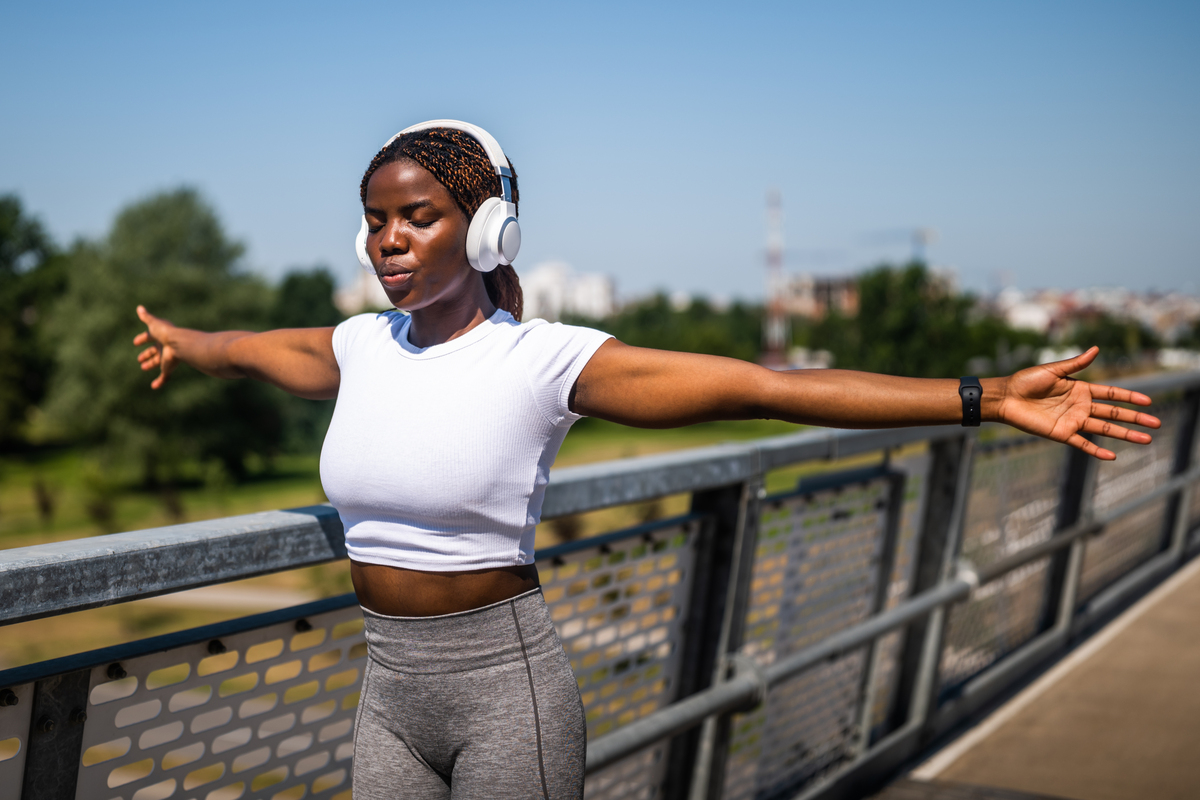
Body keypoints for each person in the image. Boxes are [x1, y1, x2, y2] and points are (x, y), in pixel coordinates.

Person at [133, 122, 1160, 800]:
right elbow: (252, 353)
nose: (389, 239)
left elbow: (769, 386)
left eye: (418, 215)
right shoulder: (360, 345)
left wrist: (979, 397)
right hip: (388, 690)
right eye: (376, 219)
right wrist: (186, 343)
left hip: (506, 689)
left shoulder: (544, 360)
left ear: (487, 229)